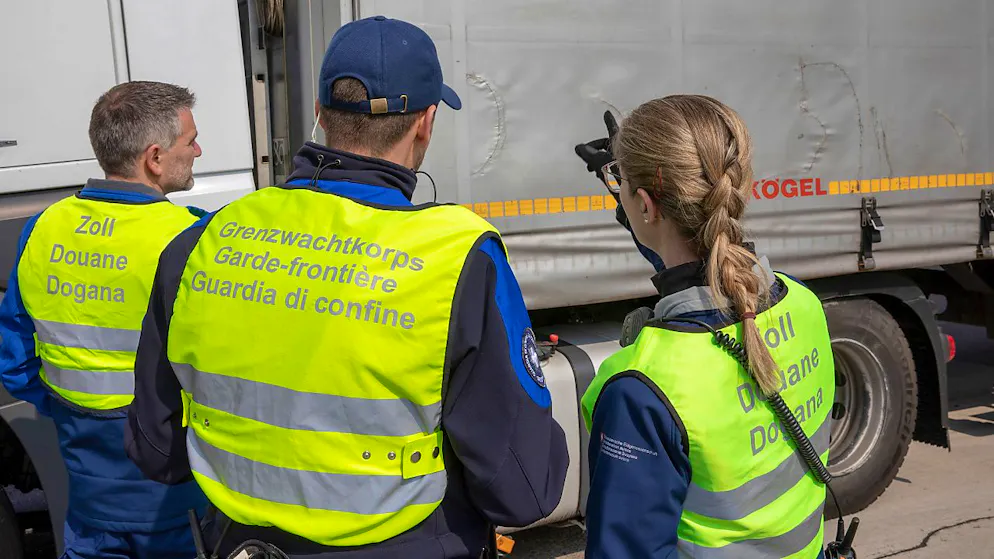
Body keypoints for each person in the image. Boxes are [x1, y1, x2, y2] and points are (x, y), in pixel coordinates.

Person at [125, 15, 569, 559]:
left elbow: (157, 449)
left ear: (319, 113)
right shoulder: (457, 258)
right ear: (426, 122)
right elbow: (522, 490)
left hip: (243, 544)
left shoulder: (201, 242)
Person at [575, 95, 835, 558]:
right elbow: (699, 261)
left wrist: (642, 212)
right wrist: (636, 205)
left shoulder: (642, 390)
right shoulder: (804, 305)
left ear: (647, 205)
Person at [0, 81, 208, 559]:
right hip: (174, 504)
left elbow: (15, 362)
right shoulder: (192, 238)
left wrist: (78, 416)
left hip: (88, 501)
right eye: (190, 140)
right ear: (154, 157)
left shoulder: (44, 226)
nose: (198, 150)